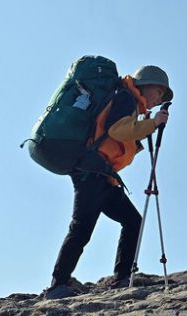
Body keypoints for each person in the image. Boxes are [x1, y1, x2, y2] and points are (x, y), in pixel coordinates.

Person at [44, 65, 173, 298]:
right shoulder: (125, 98)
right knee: (81, 228)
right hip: (91, 173)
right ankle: (57, 285)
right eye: (159, 91)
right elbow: (117, 131)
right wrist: (152, 124)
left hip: (102, 175)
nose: (159, 98)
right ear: (145, 85)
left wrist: (148, 125)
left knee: (133, 222)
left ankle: (122, 277)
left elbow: (120, 137)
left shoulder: (130, 103)